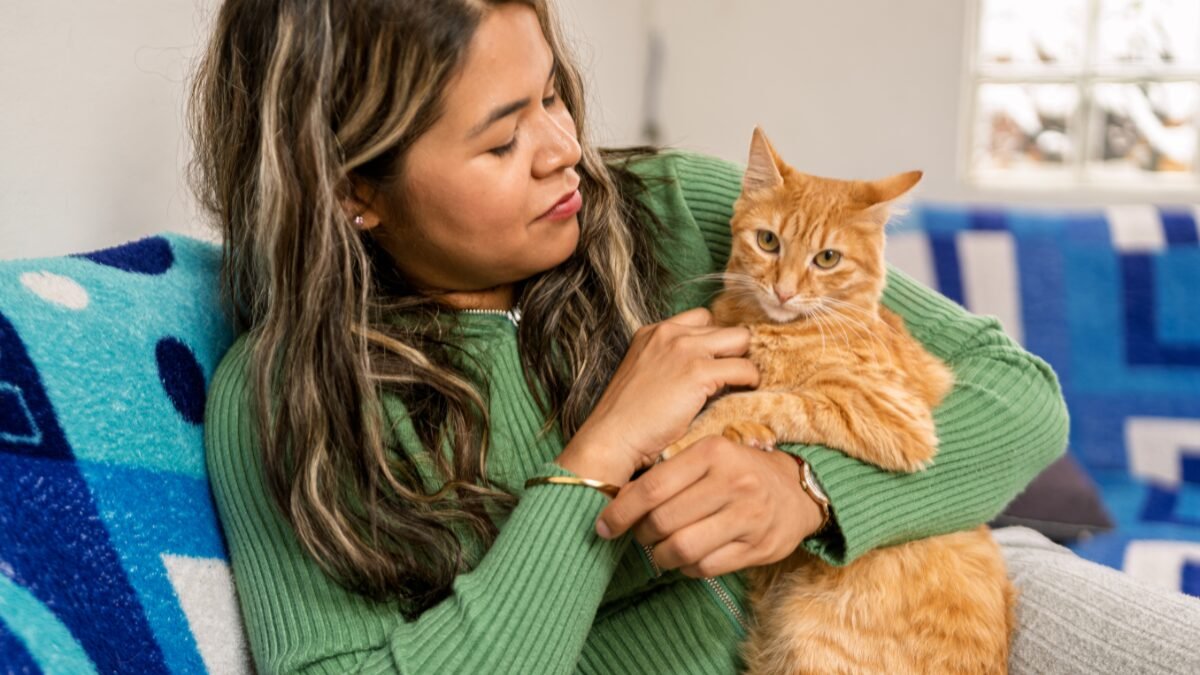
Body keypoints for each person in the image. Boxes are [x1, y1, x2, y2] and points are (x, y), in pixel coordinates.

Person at [194, 1, 1200, 673]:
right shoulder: (289, 397)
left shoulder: (675, 209)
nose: (564, 151)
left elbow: (1016, 392)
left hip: (918, 574)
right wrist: (595, 462)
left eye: (553, 95)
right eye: (502, 139)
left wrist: (806, 489)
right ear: (353, 190)